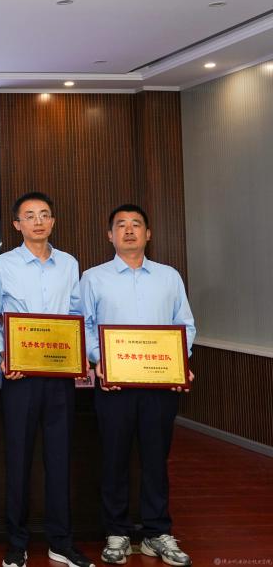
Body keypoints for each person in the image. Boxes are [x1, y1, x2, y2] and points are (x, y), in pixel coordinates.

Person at [0, 192, 93, 567]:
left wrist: (78, 352)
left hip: (59, 376)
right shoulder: (2, 265)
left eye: (44, 214)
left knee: (59, 459)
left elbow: (75, 314)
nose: (38, 221)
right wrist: (3, 356)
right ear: (17, 225)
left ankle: (61, 542)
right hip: (20, 377)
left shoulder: (69, 264)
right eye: (29, 215)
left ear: (53, 221)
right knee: (18, 460)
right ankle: (17, 543)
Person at [80, 205, 195, 566]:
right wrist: (100, 361)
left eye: (136, 224)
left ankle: (156, 532)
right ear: (109, 235)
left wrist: (179, 361)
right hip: (114, 385)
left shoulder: (168, 277)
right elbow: (84, 325)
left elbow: (185, 324)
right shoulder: (93, 278)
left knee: (155, 459)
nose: (129, 230)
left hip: (160, 385)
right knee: (114, 458)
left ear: (148, 234)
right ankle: (116, 531)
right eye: (121, 225)